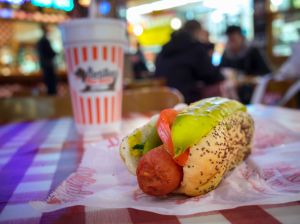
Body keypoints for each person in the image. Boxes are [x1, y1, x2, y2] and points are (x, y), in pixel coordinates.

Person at [155, 20, 224, 103]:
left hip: (164, 101)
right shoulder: (195, 48)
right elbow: (211, 75)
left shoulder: (164, 49)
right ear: (198, 32)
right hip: (190, 101)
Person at [37, 25, 57, 95]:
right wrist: (56, 53)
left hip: (44, 65)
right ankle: (52, 97)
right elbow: (51, 53)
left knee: (48, 82)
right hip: (49, 65)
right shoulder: (45, 41)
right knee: (51, 84)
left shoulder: (40, 41)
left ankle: (51, 96)